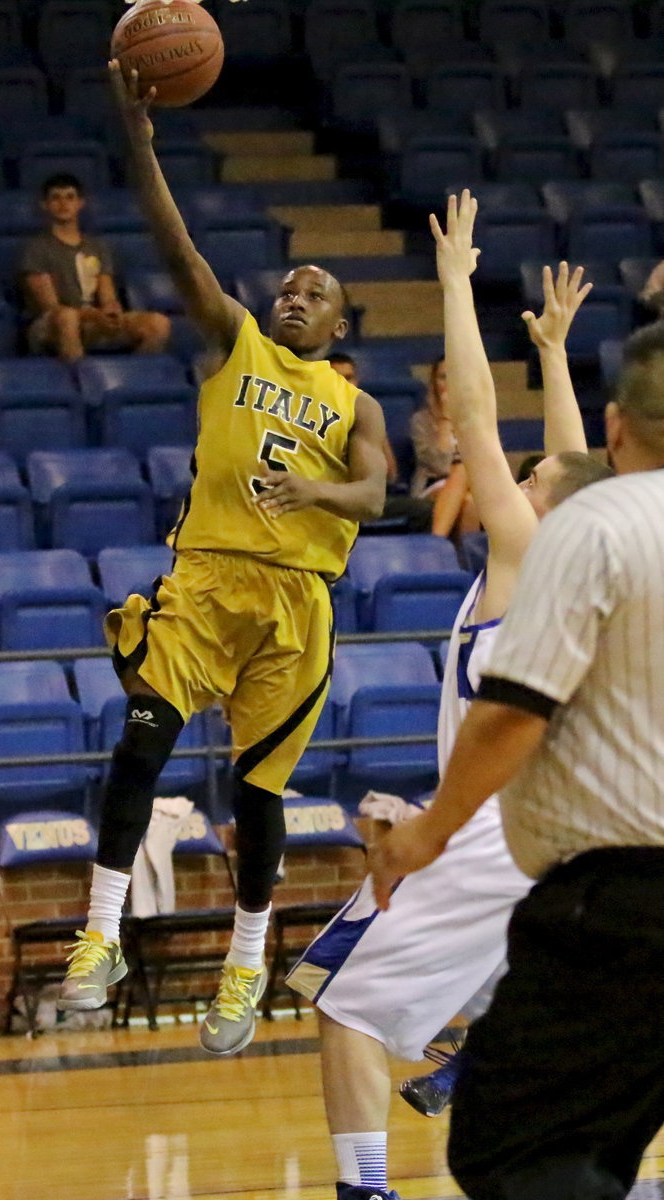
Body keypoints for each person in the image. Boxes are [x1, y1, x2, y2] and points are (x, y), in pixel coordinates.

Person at [285, 192, 613, 1200]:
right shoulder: (576, 551)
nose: (525, 473)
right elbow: (572, 460)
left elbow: (473, 417)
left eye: (532, 476)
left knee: (337, 996)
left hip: (486, 830)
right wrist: (554, 354)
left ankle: (366, 1188)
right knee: (531, 977)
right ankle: (484, 1049)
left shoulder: (527, 551)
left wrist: (456, 287)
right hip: (552, 832)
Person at [56, 62, 388, 1058]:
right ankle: (100, 936)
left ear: (339, 325)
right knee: (140, 745)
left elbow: (375, 494)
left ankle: (245, 966)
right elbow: (180, 251)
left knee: (256, 794)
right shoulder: (237, 340)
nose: (294, 296)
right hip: (205, 582)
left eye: (314, 292)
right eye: (288, 285)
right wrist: (139, 138)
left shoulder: (357, 405)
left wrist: (316, 493)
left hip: (296, 604)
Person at [372, 318, 664, 1200]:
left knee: (511, 1151)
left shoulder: (591, 527)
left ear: (616, 426)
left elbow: (513, 714)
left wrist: (428, 832)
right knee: (595, 1144)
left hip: (619, 892)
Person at [18, 172, 171, 361]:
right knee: (67, 317)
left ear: (80, 203)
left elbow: (107, 295)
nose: (63, 204)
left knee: (158, 323)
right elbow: (50, 307)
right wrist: (92, 315)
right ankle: (79, 376)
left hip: (93, 319)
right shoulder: (36, 249)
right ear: (45, 205)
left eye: (70, 197)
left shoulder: (97, 246)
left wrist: (111, 311)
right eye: (56, 198)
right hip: (51, 324)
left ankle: (135, 375)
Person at [328, 352, 432, 533]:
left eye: (349, 378)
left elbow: (391, 476)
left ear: (357, 381)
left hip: (365, 499)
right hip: (328, 499)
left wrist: (375, 434)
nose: (345, 384)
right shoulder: (312, 416)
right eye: (337, 378)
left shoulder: (369, 416)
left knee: (423, 509)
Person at [410, 357, 480, 540]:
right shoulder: (421, 421)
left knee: (470, 501)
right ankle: (441, 545)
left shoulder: (475, 420)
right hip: (432, 484)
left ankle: (453, 552)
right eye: (443, 377)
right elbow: (440, 465)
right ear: (434, 383)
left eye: (455, 376)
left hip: (473, 486)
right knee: (463, 477)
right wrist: (446, 419)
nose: (449, 383)